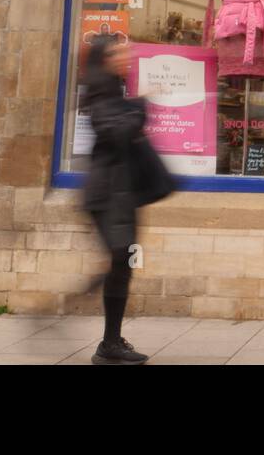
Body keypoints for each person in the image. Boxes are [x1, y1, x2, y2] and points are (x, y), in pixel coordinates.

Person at [80, 34, 173, 365]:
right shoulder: (100, 93)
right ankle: (109, 342)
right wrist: (140, 107)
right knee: (120, 260)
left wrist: (134, 107)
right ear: (104, 59)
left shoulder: (112, 91)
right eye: (119, 52)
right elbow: (116, 132)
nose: (127, 56)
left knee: (122, 263)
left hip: (121, 191)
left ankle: (110, 341)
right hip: (108, 195)